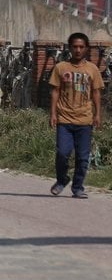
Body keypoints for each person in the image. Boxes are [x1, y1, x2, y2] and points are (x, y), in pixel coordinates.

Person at [49, 31, 103, 199]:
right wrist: (53, 113)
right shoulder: (61, 68)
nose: (78, 50)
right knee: (63, 153)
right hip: (64, 119)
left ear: (86, 48)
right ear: (70, 48)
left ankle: (78, 187)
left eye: (81, 47)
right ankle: (62, 179)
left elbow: (96, 93)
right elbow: (55, 92)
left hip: (85, 120)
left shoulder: (92, 69)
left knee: (82, 157)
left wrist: (97, 114)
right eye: (75, 46)